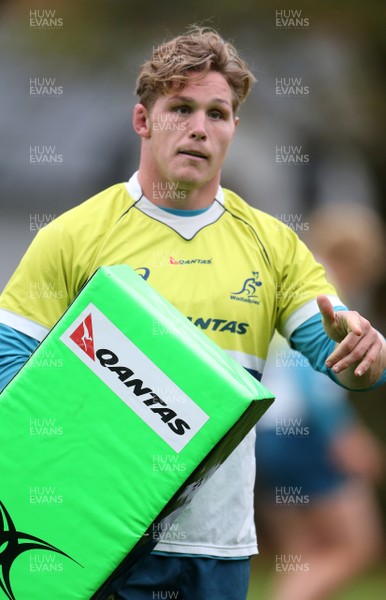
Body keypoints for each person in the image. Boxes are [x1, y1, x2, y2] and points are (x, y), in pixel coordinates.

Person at [0, 26, 385, 600]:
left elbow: (348, 367)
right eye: (181, 108)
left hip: (217, 547)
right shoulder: (74, 235)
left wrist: (363, 354)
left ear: (234, 127)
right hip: (103, 540)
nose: (200, 128)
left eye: (218, 113)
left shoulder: (273, 244)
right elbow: (11, 370)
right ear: (142, 120)